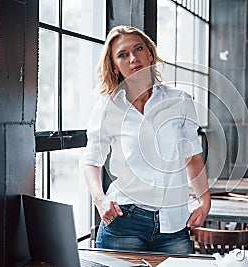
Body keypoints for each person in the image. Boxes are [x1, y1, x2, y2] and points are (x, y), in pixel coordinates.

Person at [81, 25, 211, 254]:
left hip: (174, 223)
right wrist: (100, 199)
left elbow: (192, 158)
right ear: (114, 66)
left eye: (138, 49)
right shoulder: (107, 106)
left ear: (150, 55)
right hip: (124, 221)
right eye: (123, 55)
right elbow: (92, 160)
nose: (133, 58)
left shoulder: (179, 101)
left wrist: (204, 201)